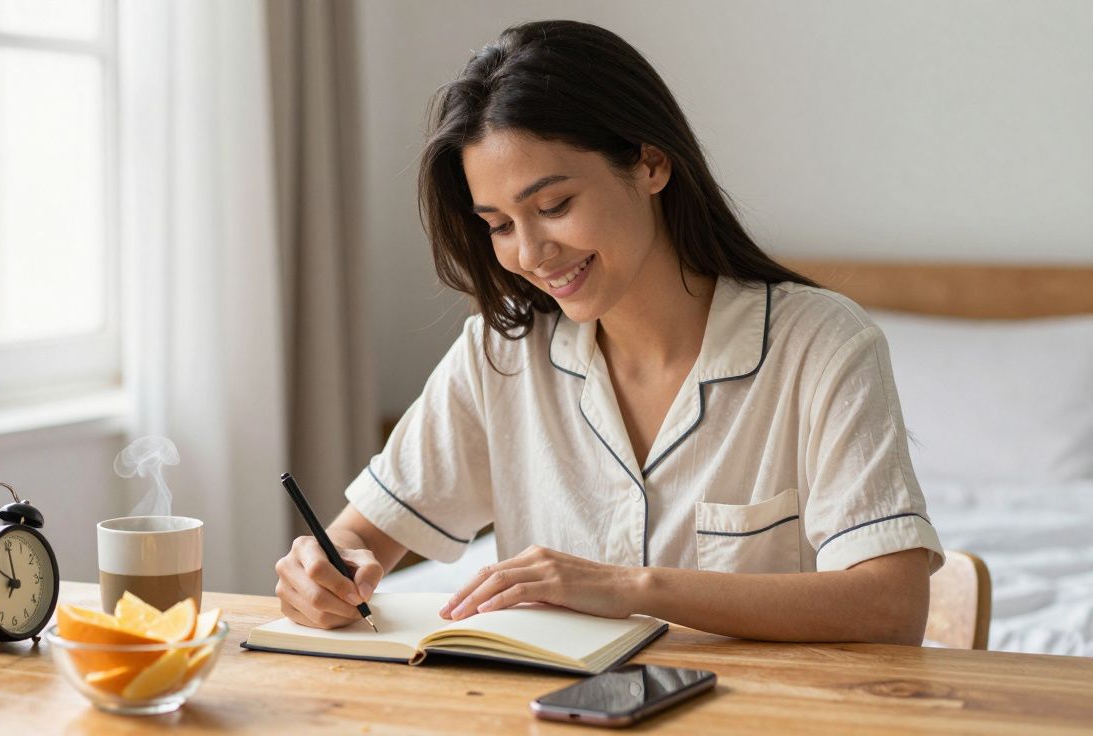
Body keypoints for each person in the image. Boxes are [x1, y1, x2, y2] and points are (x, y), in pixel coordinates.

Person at [274, 19, 943, 644]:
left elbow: (891, 604)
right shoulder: (499, 356)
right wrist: (323, 574)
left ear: (651, 163)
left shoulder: (820, 346)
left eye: (554, 205)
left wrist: (630, 589)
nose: (531, 254)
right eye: (500, 225)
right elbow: (361, 536)